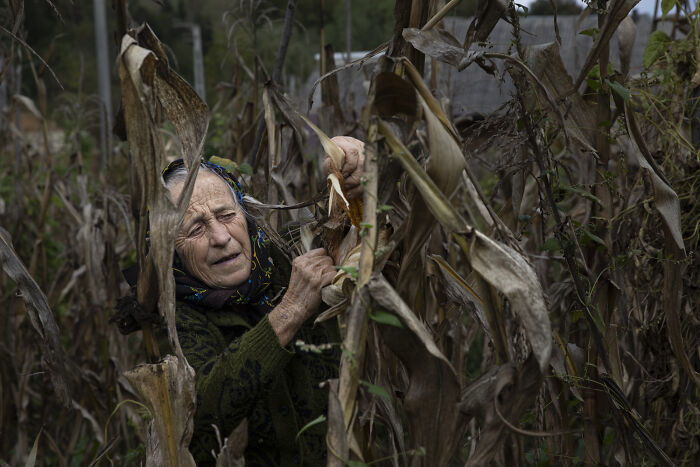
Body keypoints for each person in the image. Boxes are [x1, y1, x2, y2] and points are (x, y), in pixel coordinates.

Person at [160, 136, 365, 466]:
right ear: (168, 248)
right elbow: (197, 420)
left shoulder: (287, 257)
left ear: (245, 214)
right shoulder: (170, 317)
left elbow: (358, 228)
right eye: (196, 228)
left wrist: (352, 164)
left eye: (227, 214)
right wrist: (291, 310)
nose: (221, 238)